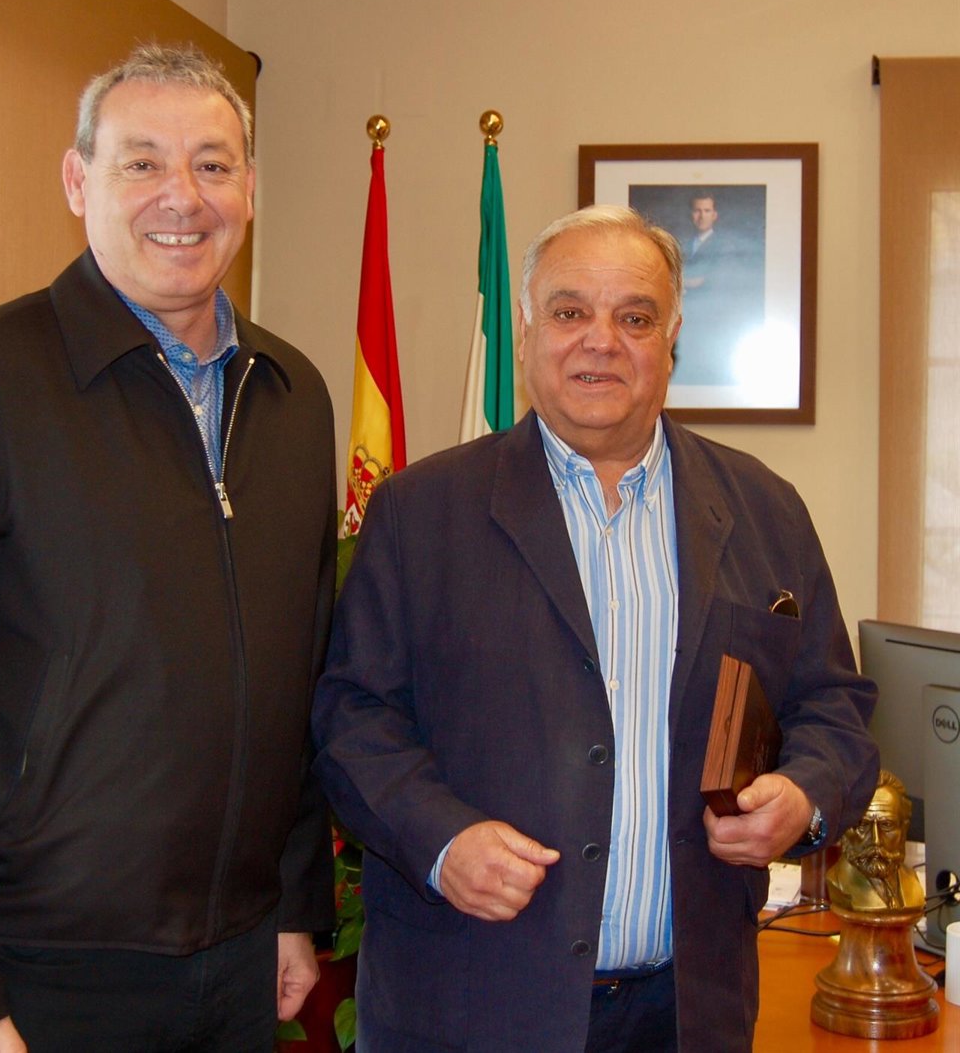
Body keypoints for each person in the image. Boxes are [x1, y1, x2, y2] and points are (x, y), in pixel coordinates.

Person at [0, 44, 338, 1053]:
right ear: (79, 181)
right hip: (43, 971)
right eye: (141, 161)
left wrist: (292, 896)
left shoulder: (291, 395)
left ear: (249, 187)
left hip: (240, 962)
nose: (181, 196)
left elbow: (298, 669)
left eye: (212, 163)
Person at [312, 205, 878, 1052]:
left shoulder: (766, 509)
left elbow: (834, 707)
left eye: (635, 317)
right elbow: (352, 718)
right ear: (527, 331)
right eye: (570, 311)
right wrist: (441, 840)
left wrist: (803, 796)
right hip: (469, 1005)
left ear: (672, 339)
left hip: (687, 1013)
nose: (601, 340)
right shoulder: (418, 512)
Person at [672, 189, 765, 388]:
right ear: (691, 215)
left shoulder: (724, 247)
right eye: (697, 211)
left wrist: (681, 283)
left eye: (706, 211)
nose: (702, 216)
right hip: (686, 320)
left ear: (714, 215)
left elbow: (711, 281)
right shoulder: (681, 245)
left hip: (710, 319)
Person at [827, 771, 924, 912]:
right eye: (863, 825)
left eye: (887, 825)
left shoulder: (912, 881)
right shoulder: (837, 881)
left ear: (904, 828)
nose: (876, 841)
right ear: (845, 829)